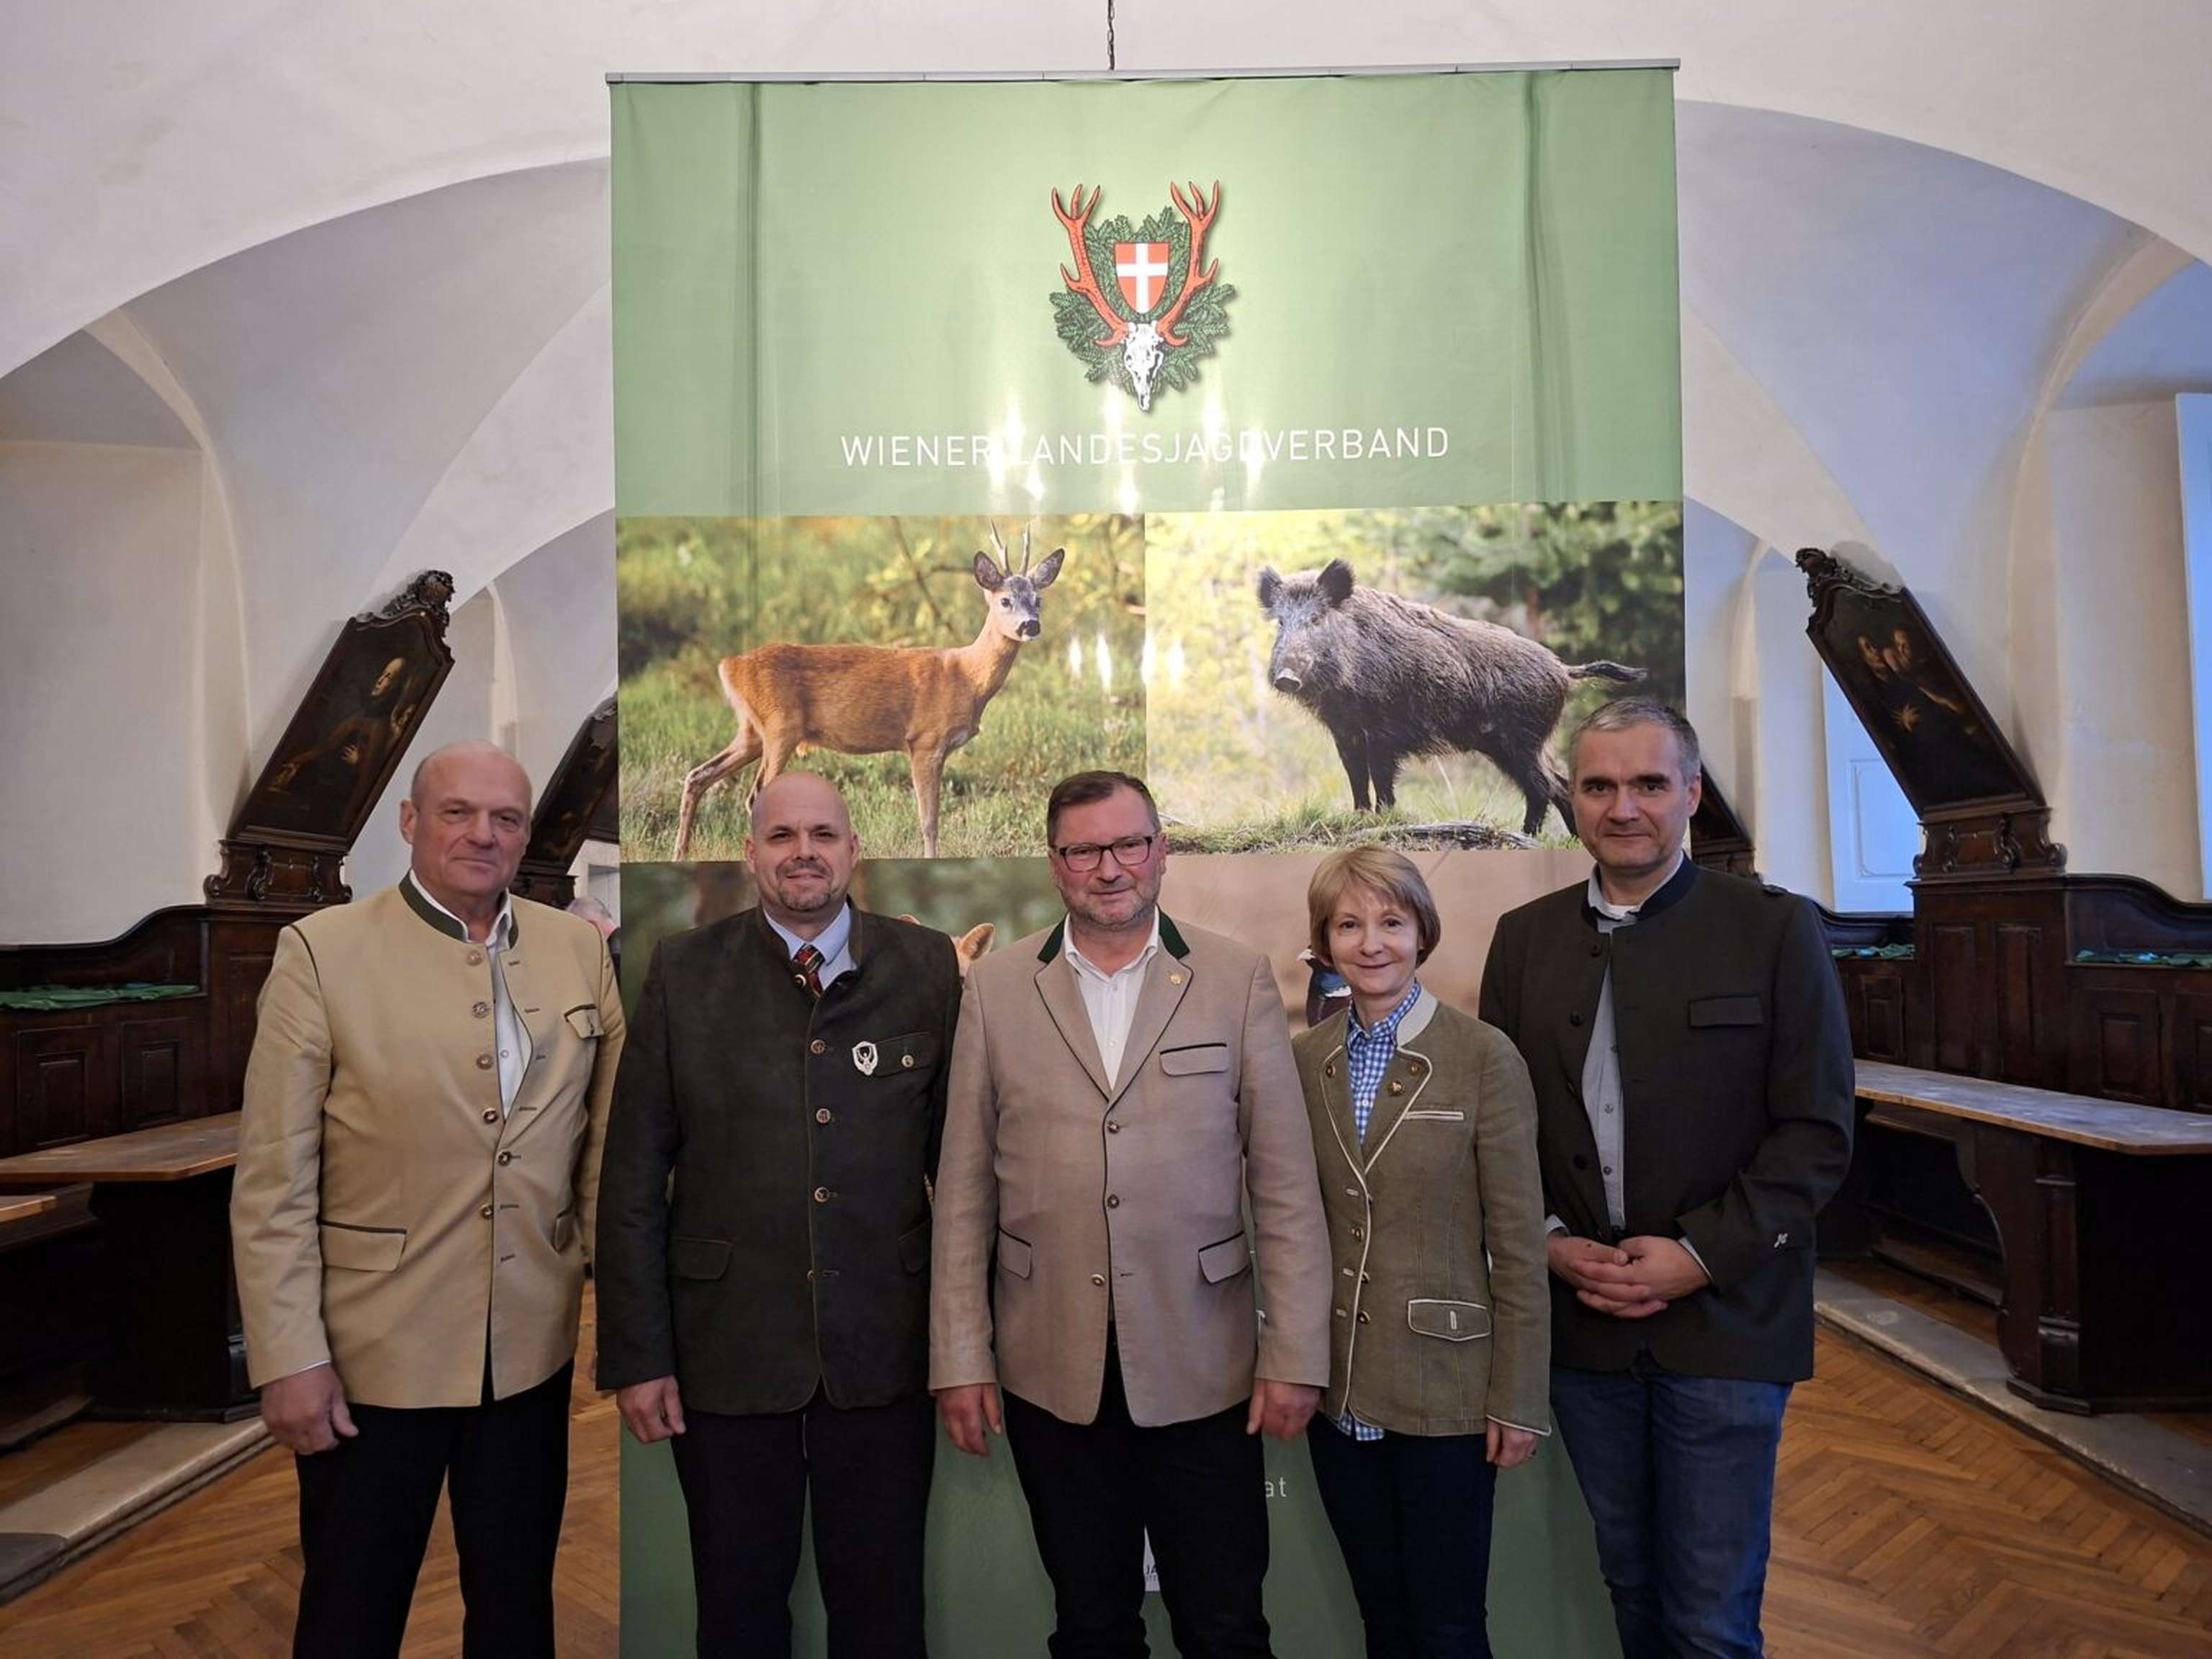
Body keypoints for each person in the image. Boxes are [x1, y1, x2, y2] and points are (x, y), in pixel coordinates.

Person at [230, 740, 624, 1659]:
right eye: (458, 813)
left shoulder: (576, 948)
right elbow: (275, 1178)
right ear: (410, 821)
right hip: (373, 1356)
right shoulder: (322, 952)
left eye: (506, 819)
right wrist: (288, 1355)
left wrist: (625, 1317)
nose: (483, 834)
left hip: (529, 1349)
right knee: (351, 1612)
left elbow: (602, 1150)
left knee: (517, 1605)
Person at [1478, 699, 1853, 1659]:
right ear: (1572, 800)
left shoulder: (1774, 930)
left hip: (1728, 1324)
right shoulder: (1523, 940)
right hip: (1584, 1329)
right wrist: (1551, 1245)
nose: (1624, 807)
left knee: (1710, 1618)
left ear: (1691, 794)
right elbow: (1501, 1129)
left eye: (1649, 783)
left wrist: (1697, 1256)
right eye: (1599, 786)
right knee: (1629, 1593)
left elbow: (1816, 1135)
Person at [930, 770, 1331, 1659]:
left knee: (1226, 1627)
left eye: (1128, 845)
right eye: (1083, 851)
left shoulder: (1235, 977)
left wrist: (1297, 1352)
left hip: (1205, 1364)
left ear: (1162, 851)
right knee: (1090, 1627)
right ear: (1054, 864)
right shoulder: (996, 988)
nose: (1109, 868)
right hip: (1048, 1366)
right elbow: (963, 1192)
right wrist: (959, 1358)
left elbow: (1286, 1187)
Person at [594, 772, 961, 1659]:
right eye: (783, 836)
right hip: (726, 1352)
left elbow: (962, 1177)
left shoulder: (926, 966)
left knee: (883, 1616)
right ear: (750, 853)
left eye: (824, 835)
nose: (805, 853)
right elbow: (633, 1177)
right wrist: (638, 1357)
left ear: (854, 850)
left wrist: (968, 1351)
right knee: (737, 1612)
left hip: (885, 1350)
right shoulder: (684, 971)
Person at [1290, 848, 1551, 1659]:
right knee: (1383, 1616)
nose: (1372, 944)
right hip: (1341, 1391)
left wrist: (1518, 1398)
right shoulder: (1305, 1060)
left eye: (1392, 922)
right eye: (1349, 925)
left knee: (1448, 1625)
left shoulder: (1484, 1056)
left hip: (1450, 1389)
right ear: (1324, 943)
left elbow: (1518, 1244)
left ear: (1422, 933)